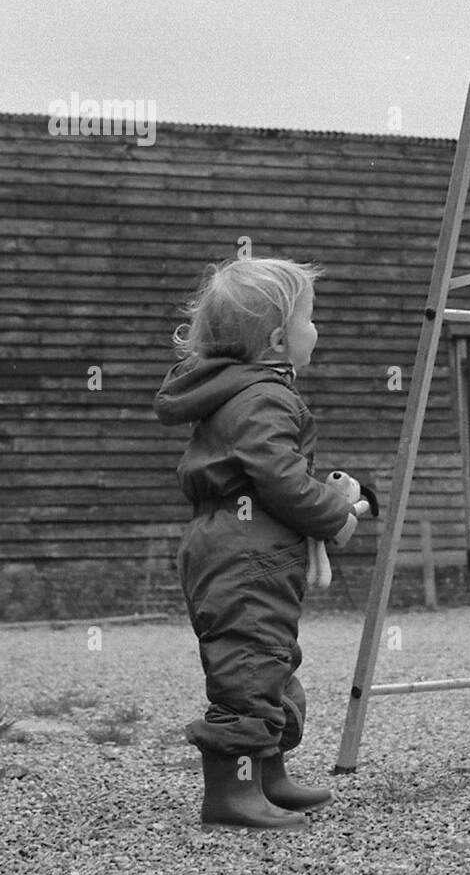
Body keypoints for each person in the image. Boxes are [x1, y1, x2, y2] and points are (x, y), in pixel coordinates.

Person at [153, 257, 372, 830]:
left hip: (245, 548)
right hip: (242, 553)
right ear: (279, 338)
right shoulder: (264, 396)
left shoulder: (243, 391)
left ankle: (266, 775)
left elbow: (270, 473)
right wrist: (331, 512)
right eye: (311, 319)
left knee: (268, 661)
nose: (316, 330)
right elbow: (277, 474)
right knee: (248, 667)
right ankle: (230, 795)